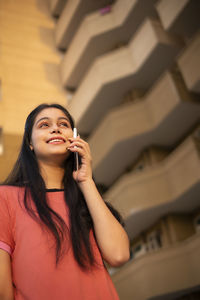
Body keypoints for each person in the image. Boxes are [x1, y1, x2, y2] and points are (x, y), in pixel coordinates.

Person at [0, 103, 130, 300]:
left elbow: (119, 255)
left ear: (74, 137)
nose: (56, 128)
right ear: (30, 143)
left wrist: (86, 181)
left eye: (63, 124)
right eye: (44, 125)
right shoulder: (6, 197)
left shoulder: (87, 200)